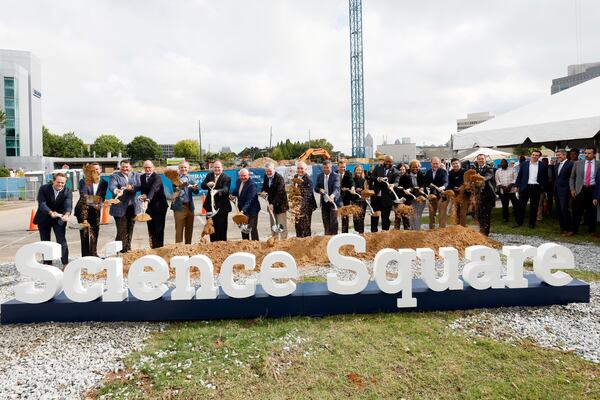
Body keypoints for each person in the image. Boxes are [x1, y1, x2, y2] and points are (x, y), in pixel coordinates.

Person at [33, 173, 72, 266]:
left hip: (59, 218)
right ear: (53, 181)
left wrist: (67, 214)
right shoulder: (44, 188)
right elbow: (42, 204)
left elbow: (68, 204)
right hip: (44, 217)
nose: (60, 184)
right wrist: (50, 212)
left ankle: (65, 264)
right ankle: (47, 264)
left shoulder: (67, 190)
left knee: (61, 240)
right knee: (45, 241)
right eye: (58, 182)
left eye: (63, 183)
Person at [75, 163, 107, 257]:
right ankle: (85, 256)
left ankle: (94, 254)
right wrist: (96, 203)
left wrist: (100, 204)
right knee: (85, 233)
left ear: (101, 170)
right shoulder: (83, 181)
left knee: (95, 232)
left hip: (96, 211)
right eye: (93, 169)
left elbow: (102, 196)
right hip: (83, 211)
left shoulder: (104, 182)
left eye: (97, 169)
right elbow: (84, 196)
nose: (95, 171)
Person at [109, 160, 140, 252]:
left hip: (132, 208)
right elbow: (112, 186)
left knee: (130, 229)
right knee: (121, 230)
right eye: (123, 167)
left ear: (130, 167)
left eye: (127, 167)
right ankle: (119, 251)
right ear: (120, 167)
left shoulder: (136, 175)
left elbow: (139, 186)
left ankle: (128, 248)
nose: (125, 168)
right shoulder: (115, 176)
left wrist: (132, 188)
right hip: (119, 208)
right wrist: (116, 191)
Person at [570, 147, 600, 238]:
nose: (586, 155)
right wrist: (572, 189)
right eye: (585, 153)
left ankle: (592, 231)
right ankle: (574, 230)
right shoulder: (578, 163)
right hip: (580, 189)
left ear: (594, 154)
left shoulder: (599, 164)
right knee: (577, 211)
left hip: (593, 190)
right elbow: (572, 177)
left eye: (589, 153)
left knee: (592, 211)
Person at [514, 150, 547, 229]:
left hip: (536, 188)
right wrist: (516, 186)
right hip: (525, 187)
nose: (534, 156)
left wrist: (542, 187)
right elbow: (520, 176)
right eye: (533, 155)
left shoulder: (542, 166)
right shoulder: (524, 164)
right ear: (531, 155)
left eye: (537, 155)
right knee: (521, 206)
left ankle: (532, 224)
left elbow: (545, 178)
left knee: (534, 207)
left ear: (539, 157)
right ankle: (519, 222)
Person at [140, 160, 168, 248]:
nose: (147, 169)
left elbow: (153, 189)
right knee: (151, 228)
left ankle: (159, 248)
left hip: (159, 207)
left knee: (158, 229)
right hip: (149, 208)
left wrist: (147, 200)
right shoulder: (142, 177)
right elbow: (144, 190)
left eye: (149, 167)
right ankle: (153, 247)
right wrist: (143, 195)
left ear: (153, 168)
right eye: (146, 167)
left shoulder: (157, 177)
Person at [201, 160, 232, 241]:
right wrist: (207, 184)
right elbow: (202, 185)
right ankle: (213, 248)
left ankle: (222, 249)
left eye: (218, 167)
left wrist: (217, 191)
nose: (217, 169)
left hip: (222, 208)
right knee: (211, 230)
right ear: (213, 168)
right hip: (210, 208)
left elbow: (225, 190)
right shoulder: (209, 175)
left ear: (222, 168)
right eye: (215, 167)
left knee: (221, 231)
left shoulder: (226, 177)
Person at [171, 161, 200, 244]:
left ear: (188, 168)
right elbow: (174, 191)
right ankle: (179, 249)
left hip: (190, 207)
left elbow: (197, 192)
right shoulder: (175, 179)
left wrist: (195, 188)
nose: (183, 169)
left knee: (189, 229)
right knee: (179, 230)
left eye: (185, 167)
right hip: (179, 207)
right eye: (181, 167)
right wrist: (180, 187)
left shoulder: (192, 178)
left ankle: (188, 248)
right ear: (179, 169)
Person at [369, 155, 399, 232]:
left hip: (387, 198)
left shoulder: (396, 171)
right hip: (375, 198)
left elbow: (396, 182)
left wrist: (393, 185)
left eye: (389, 161)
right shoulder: (378, 168)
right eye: (386, 161)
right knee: (374, 217)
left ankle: (384, 234)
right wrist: (377, 179)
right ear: (384, 161)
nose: (388, 163)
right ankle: (373, 234)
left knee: (385, 218)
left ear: (392, 162)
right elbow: (371, 177)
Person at [261, 162, 288, 239]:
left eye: (270, 171)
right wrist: (263, 191)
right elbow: (264, 187)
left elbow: (279, 193)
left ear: (274, 169)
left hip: (280, 206)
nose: (268, 173)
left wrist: (272, 204)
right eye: (266, 171)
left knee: (281, 225)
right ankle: (274, 240)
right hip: (270, 205)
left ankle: (283, 242)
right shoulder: (266, 177)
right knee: (273, 224)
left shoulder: (279, 179)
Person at [232, 168, 260, 240]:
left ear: (248, 175)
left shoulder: (252, 185)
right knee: (243, 228)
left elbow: (249, 200)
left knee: (252, 228)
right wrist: (232, 195)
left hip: (252, 210)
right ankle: (245, 243)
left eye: (244, 175)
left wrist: (242, 211)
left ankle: (255, 244)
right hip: (242, 209)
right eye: (241, 176)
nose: (243, 177)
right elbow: (237, 190)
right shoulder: (239, 181)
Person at [315, 160, 341, 235]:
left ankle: (334, 237)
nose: (326, 169)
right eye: (324, 168)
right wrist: (320, 190)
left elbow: (337, 188)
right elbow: (316, 187)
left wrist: (332, 196)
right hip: (324, 202)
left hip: (333, 202)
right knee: (325, 221)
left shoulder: (336, 176)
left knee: (333, 222)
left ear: (331, 167)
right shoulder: (320, 176)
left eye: (328, 167)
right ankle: (327, 237)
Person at [473, 154, 496, 235]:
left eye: (482, 159)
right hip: (478, 196)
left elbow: (488, 176)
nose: (480, 160)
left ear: (485, 160)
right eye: (479, 159)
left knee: (487, 215)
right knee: (479, 214)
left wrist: (481, 179)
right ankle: (481, 230)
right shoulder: (475, 169)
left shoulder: (489, 169)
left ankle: (486, 233)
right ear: (477, 160)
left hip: (488, 196)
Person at [293, 161, 317, 237]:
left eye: (302, 168)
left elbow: (307, 195)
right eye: (298, 168)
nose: (300, 170)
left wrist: (300, 206)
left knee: (305, 226)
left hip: (307, 206)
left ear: (306, 169)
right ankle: (299, 240)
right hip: (297, 206)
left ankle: (307, 242)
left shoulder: (308, 180)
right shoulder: (295, 176)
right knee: (297, 224)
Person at [553, 149, 574, 236]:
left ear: (565, 155)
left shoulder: (570, 164)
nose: (558, 157)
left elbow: (572, 178)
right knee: (559, 210)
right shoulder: (557, 165)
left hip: (565, 191)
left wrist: (571, 189)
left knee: (565, 209)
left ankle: (568, 228)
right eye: (557, 155)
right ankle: (563, 228)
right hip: (557, 190)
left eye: (559, 155)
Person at [424, 157, 449, 229]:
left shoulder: (443, 171)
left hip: (442, 196)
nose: (435, 165)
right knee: (431, 214)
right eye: (433, 163)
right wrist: (428, 185)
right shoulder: (428, 172)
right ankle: (431, 230)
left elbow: (446, 182)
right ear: (431, 164)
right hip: (432, 196)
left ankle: (442, 230)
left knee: (442, 214)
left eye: (437, 163)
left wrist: (443, 187)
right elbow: (425, 183)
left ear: (440, 163)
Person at [495, 159, 518, 223]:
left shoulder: (513, 169)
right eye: (502, 163)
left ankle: (517, 216)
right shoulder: (498, 171)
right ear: (500, 164)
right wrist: (503, 187)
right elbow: (497, 180)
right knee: (505, 205)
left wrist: (510, 186)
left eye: (505, 163)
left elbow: (515, 178)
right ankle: (505, 218)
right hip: (503, 191)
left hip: (512, 190)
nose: (503, 164)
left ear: (507, 163)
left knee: (515, 205)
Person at [406, 160, 426, 230]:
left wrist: (422, 188)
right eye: (413, 167)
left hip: (420, 197)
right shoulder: (406, 175)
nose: (415, 169)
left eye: (417, 167)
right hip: (410, 197)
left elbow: (424, 183)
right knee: (411, 214)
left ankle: (417, 229)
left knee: (418, 214)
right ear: (410, 167)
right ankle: (412, 229)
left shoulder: (421, 174)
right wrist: (408, 189)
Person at [337, 160, 354, 233]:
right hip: (336, 197)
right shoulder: (334, 173)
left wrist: (352, 187)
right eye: (341, 167)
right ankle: (334, 232)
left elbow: (351, 181)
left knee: (345, 216)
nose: (342, 169)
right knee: (335, 215)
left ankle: (345, 232)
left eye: (344, 167)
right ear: (338, 167)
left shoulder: (348, 173)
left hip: (346, 198)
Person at [448, 158, 466, 226]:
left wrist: (461, 187)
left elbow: (467, 181)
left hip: (464, 194)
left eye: (456, 163)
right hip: (455, 195)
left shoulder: (464, 171)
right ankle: (457, 226)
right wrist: (453, 188)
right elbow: (450, 183)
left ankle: (464, 227)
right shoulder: (451, 173)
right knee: (456, 211)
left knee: (463, 212)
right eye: (453, 164)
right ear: (452, 165)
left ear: (459, 164)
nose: (455, 165)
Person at [393, 163, 411, 230]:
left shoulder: (408, 177)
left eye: (403, 169)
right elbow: (394, 186)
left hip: (406, 199)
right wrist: (397, 188)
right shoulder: (396, 176)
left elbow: (411, 187)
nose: (402, 171)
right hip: (397, 199)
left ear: (406, 170)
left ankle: (407, 232)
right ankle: (396, 231)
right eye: (400, 169)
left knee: (405, 217)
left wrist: (407, 189)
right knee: (397, 217)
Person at [350, 165, 368, 233]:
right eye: (357, 170)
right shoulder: (352, 179)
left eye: (360, 170)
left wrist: (362, 191)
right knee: (355, 219)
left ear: (362, 171)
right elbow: (351, 188)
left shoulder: (364, 180)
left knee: (361, 219)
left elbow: (366, 191)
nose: (358, 171)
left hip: (362, 202)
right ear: (354, 171)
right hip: (354, 201)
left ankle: (361, 233)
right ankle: (356, 232)